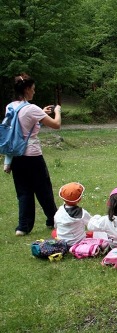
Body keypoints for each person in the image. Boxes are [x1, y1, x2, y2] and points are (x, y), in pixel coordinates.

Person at [3, 73, 62, 236]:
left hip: (16, 156)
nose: (34, 92)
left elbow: (23, 123)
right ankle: (54, 220)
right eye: (33, 89)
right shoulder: (32, 109)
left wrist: (40, 113)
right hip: (33, 156)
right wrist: (57, 111)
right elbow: (56, 125)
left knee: (23, 191)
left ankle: (23, 227)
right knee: (43, 189)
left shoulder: (10, 107)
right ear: (27, 89)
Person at [54, 182, 91, 247]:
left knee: (54, 232)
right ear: (79, 199)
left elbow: (56, 226)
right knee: (91, 233)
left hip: (63, 243)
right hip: (79, 242)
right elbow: (91, 223)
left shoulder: (59, 212)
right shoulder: (82, 213)